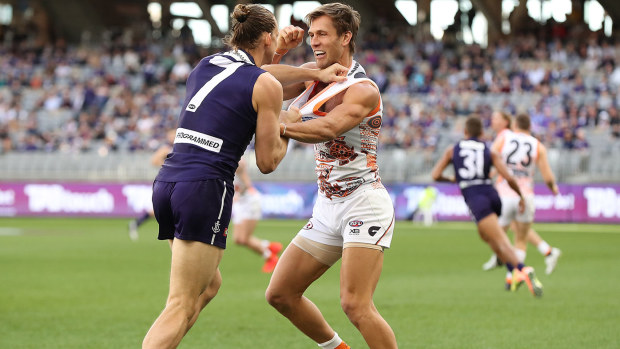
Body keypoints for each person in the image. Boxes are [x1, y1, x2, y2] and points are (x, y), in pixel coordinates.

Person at [142, 4, 347, 348]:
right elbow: (268, 161)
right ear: (267, 37)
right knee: (180, 303)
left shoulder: (207, 64)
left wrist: (309, 72)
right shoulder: (263, 83)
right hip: (204, 188)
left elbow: (257, 77)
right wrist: (289, 123)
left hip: (168, 183)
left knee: (207, 286)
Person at [264, 4, 397, 348]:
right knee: (280, 294)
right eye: (311, 35)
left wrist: (282, 125)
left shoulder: (362, 88)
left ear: (346, 37)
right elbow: (261, 81)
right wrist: (281, 50)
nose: (314, 41)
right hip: (327, 207)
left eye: (322, 34)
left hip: (362, 204)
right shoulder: (312, 73)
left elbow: (331, 126)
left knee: (356, 304)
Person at [431, 115, 543, 296]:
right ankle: (512, 268)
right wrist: (521, 196)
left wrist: (453, 179)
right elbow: (508, 177)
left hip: (475, 197)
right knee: (487, 236)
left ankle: (522, 270)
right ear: (482, 133)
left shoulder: (453, 150)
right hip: (492, 195)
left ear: (465, 132)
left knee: (498, 239)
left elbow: (435, 175)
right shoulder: (489, 150)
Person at [482, 111, 562, 275]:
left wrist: (488, 175)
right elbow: (547, 176)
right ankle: (514, 274)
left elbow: (490, 158)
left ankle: (500, 258)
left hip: (504, 194)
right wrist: (553, 189)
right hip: (525, 196)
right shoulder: (538, 145)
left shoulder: (505, 138)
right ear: (530, 127)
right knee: (520, 239)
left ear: (514, 125)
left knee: (498, 236)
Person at [232, 156, 282, 273]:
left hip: (249, 201)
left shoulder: (236, 162)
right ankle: (269, 246)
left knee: (244, 239)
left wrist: (239, 194)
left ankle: (270, 257)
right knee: (238, 240)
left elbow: (246, 184)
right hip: (240, 202)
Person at [128, 129, 175, 241]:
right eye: (172, 135)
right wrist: (169, 165)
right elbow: (153, 160)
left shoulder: (179, 148)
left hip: (175, 181)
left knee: (159, 210)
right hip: (166, 181)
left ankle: (136, 224)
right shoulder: (166, 149)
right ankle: (136, 224)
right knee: (158, 209)